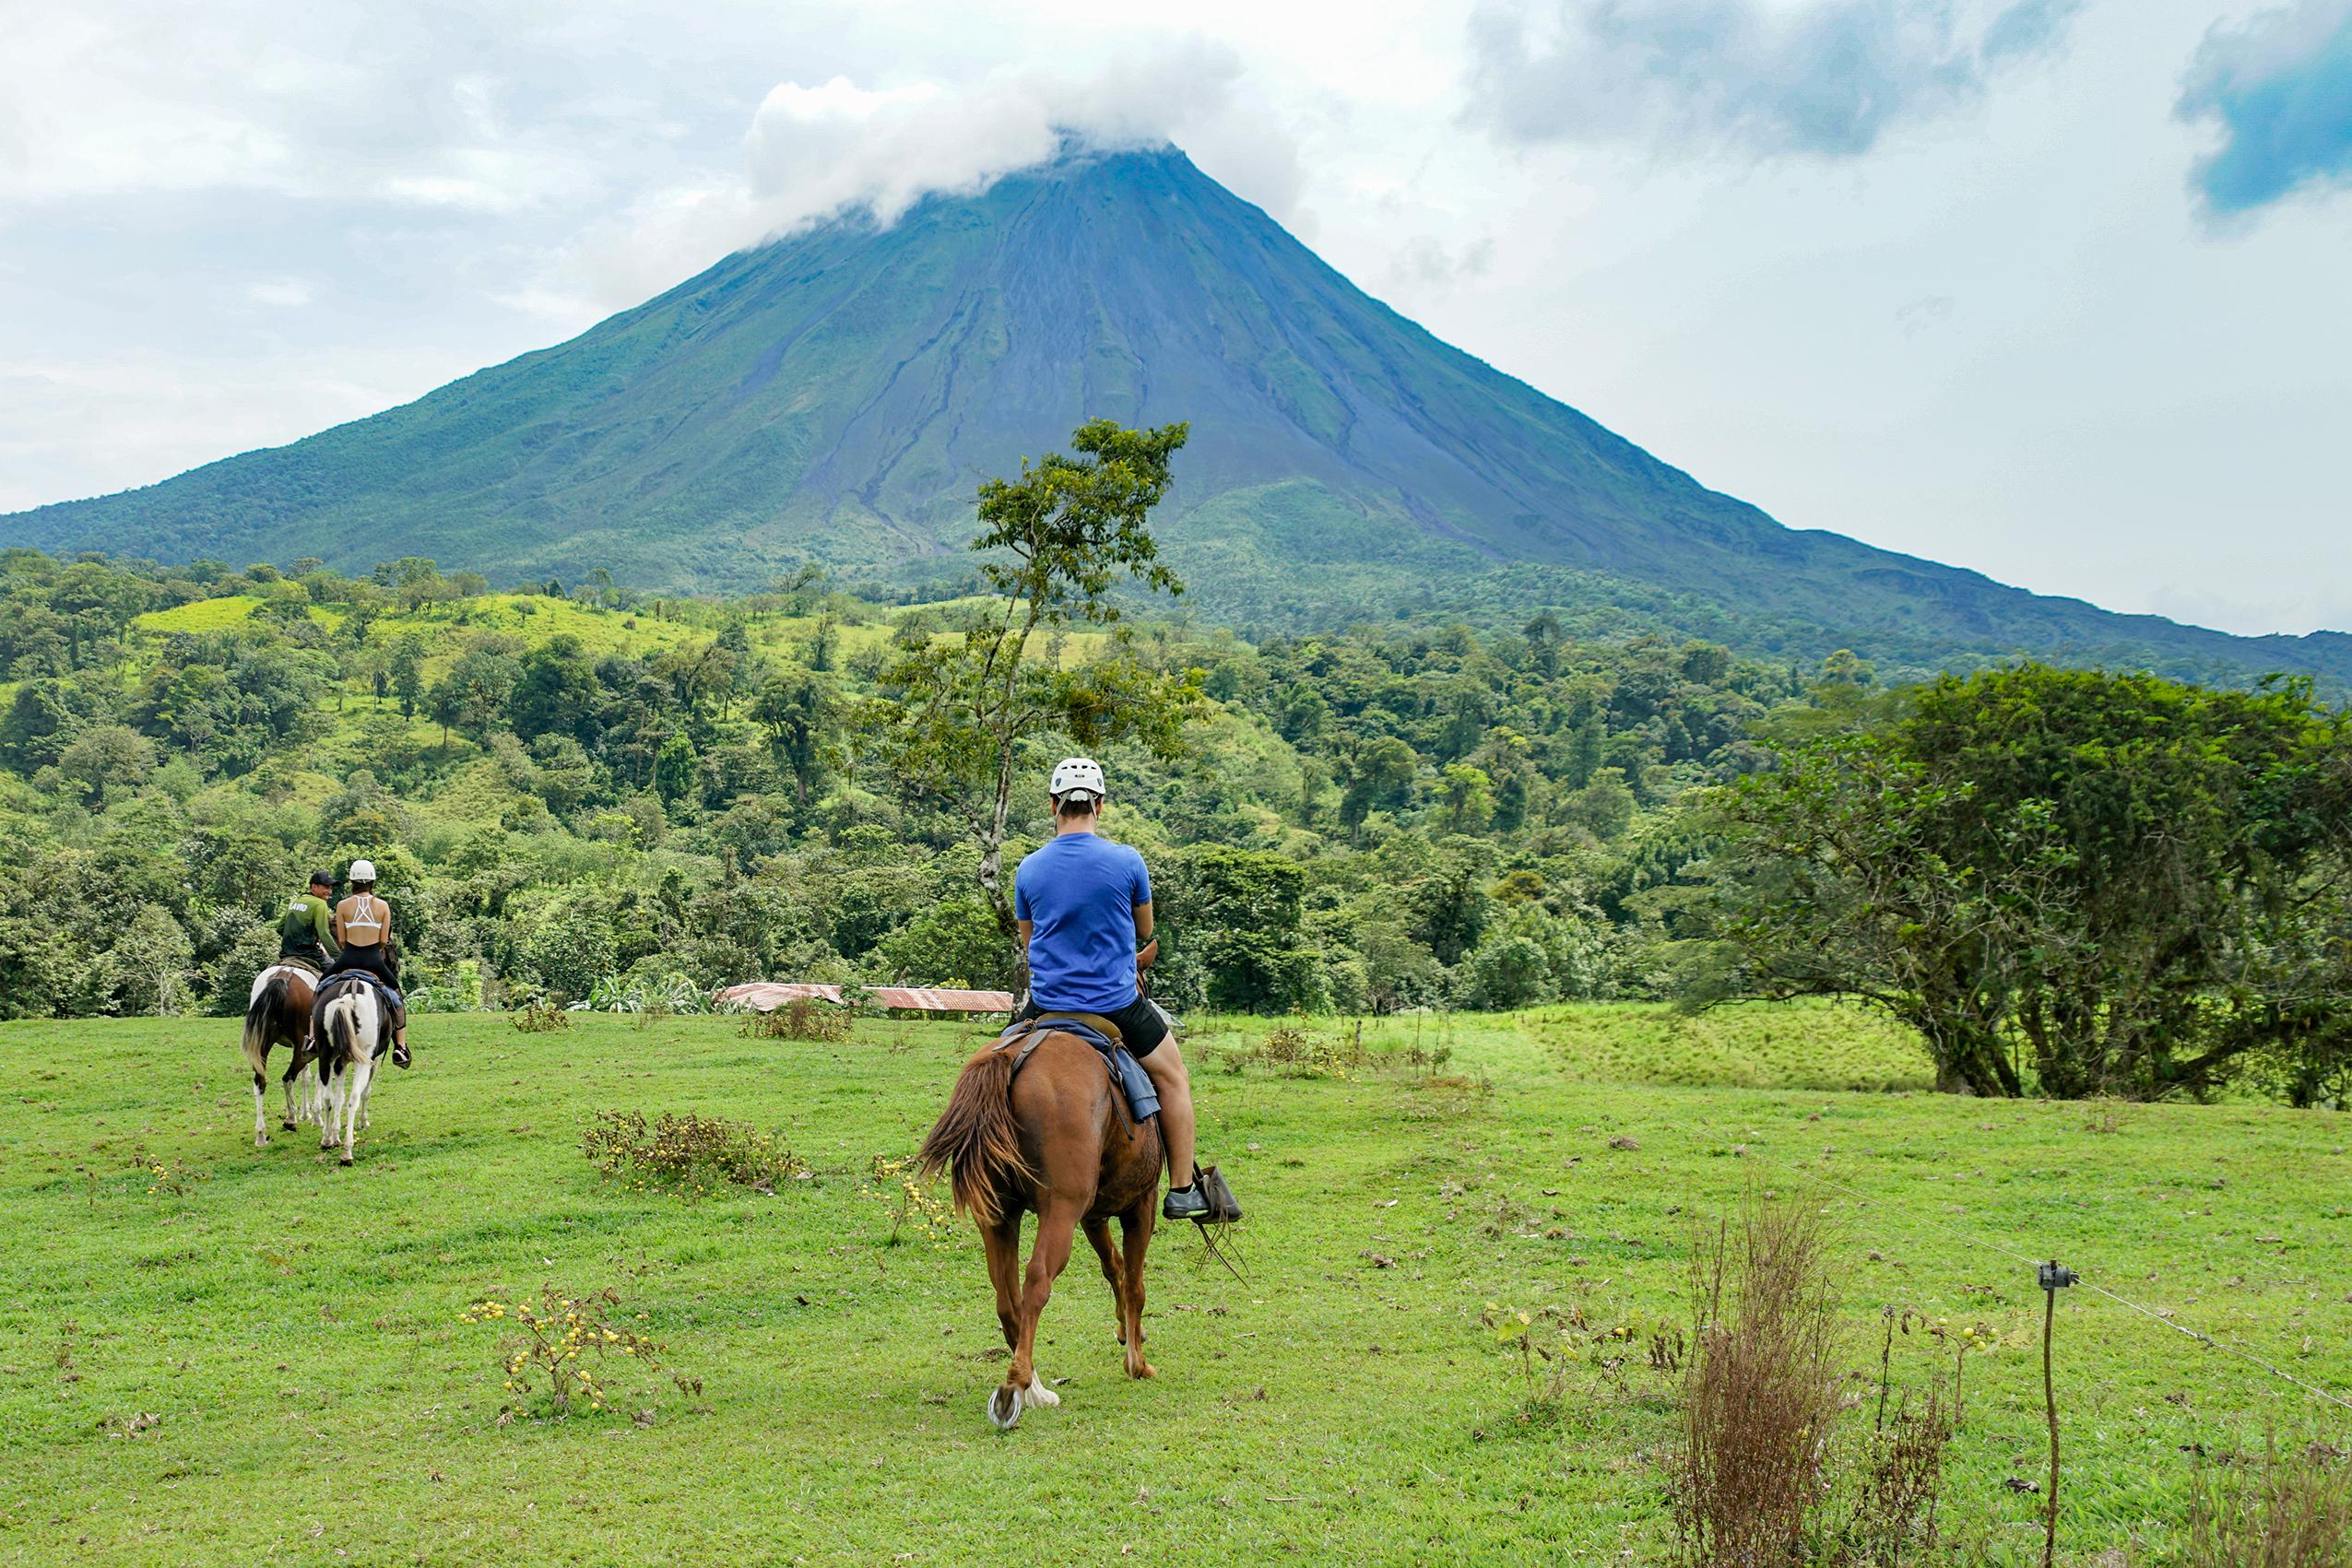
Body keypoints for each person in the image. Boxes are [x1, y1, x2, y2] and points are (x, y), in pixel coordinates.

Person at [1012, 757, 1211, 1220]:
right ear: (1099, 805)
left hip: (1045, 1005)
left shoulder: (1029, 868)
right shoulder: (1127, 860)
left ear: (1052, 805)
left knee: (997, 1065)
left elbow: (1029, 939)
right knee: (1173, 1077)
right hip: (1116, 1004)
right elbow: (1145, 930)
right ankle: (1183, 1188)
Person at [322, 859, 409, 1067]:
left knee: (321, 987)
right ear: (372, 882)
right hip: (373, 960)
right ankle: (401, 1047)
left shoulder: (342, 905)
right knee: (396, 995)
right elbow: (383, 940)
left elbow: (341, 940)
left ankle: (313, 1037)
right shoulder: (383, 906)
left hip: (348, 958)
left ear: (352, 881)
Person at [278, 871, 341, 970]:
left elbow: (280, 928)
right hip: (309, 955)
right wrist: (338, 957)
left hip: (286, 954)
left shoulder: (296, 901)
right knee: (335, 973)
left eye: (331, 888)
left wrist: (296, 941)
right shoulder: (320, 904)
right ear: (314, 887)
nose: (330, 892)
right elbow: (324, 935)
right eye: (326, 887)